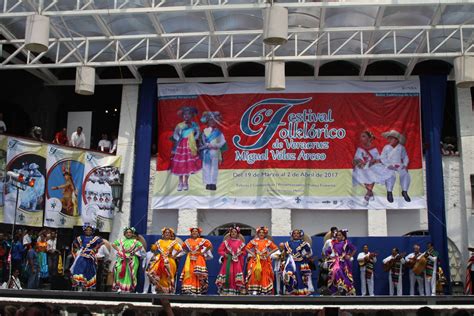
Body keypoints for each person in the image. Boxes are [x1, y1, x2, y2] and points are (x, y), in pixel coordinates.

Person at [352, 131, 391, 204]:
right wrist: (360, 163)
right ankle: (370, 192)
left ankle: (368, 194)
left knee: (371, 171)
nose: (361, 138)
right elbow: (356, 158)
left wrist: (373, 162)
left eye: (364, 136)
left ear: (369, 138)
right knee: (359, 171)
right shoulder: (360, 148)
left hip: (372, 165)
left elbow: (379, 158)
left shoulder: (374, 147)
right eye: (361, 136)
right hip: (363, 166)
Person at [170, 106, 201, 191]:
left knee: (188, 163)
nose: (186, 116)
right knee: (181, 163)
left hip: (190, 145)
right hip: (182, 146)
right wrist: (178, 138)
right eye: (185, 115)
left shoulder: (194, 124)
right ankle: (180, 182)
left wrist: (194, 138)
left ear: (191, 115)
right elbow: (175, 134)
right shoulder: (180, 125)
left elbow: (198, 132)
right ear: (183, 116)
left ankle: (186, 182)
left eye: (188, 114)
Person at [147, 227, 183, 294]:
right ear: (163, 234)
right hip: (160, 259)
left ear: (171, 235)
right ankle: (159, 289)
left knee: (168, 275)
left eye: (168, 233)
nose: (167, 234)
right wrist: (156, 255)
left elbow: (180, 249)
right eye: (165, 232)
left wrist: (174, 256)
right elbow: (153, 248)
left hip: (169, 260)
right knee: (154, 272)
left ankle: (167, 291)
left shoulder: (173, 242)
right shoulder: (159, 241)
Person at [245, 226, 278, 295]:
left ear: (265, 234)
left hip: (265, 261)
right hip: (256, 260)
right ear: (258, 233)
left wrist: (268, 254)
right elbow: (247, 248)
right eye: (260, 232)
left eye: (263, 233)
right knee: (254, 274)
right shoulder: (254, 241)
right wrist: (252, 254)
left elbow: (275, 248)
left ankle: (264, 290)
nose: (261, 234)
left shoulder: (268, 242)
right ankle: (255, 290)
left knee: (264, 275)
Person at [180, 227, 213, 295]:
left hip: (198, 259)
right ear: (191, 233)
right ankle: (188, 289)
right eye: (193, 231)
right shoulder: (187, 241)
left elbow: (209, 245)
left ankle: (198, 290)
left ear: (198, 233)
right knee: (189, 272)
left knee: (198, 274)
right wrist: (188, 252)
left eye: (196, 231)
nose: (194, 232)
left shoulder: (202, 240)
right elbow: (183, 248)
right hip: (190, 260)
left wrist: (203, 252)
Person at [380, 129, 411, 203]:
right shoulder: (386, 147)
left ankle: (404, 191)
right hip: (389, 165)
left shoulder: (401, 148)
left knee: (405, 174)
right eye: (389, 138)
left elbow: (405, 157)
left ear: (397, 140)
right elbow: (382, 157)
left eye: (392, 138)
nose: (389, 139)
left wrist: (405, 165)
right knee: (391, 175)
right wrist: (388, 165)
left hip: (399, 164)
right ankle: (389, 192)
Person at [71, 224, 103, 291]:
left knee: (89, 270)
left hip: (90, 255)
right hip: (82, 254)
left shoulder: (95, 238)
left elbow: (101, 242)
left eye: (90, 230)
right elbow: (75, 242)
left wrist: (95, 248)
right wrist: (79, 248)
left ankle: (88, 284)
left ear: (92, 231)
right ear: (84, 231)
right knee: (79, 268)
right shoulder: (81, 237)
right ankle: (79, 283)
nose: (88, 231)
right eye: (87, 230)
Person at [216, 226, 246, 295]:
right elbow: (220, 250)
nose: (233, 233)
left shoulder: (240, 243)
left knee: (235, 274)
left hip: (236, 261)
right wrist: (225, 254)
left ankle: (235, 291)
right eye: (232, 232)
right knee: (229, 273)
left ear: (237, 234)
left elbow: (244, 252)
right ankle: (225, 291)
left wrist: (240, 253)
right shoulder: (226, 242)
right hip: (228, 261)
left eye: (235, 232)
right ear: (230, 233)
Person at [112, 227, 144, 293]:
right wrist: (119, 250)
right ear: (124, 234)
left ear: (132, 234)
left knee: (130, 272)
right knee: (118, 269)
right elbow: (113, 244)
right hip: (122, 257)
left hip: (132, 258)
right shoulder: (122, 240)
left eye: (130, 232)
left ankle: (128, 288)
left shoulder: (135, 241)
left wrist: (134, 251)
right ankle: (120, 287)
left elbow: (140, 246)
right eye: (127, 232)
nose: (128, 234)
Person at [200, 111, 226, 191]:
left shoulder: (218, 132)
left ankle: (213, 183)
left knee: (214, 167)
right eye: (210, 120)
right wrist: (206, 145)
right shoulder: (205, 131)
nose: (212, 122)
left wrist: (215, 145)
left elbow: (222, 141)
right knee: (206, 167)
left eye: (213, 120)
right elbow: (202, 141)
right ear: (208, 121)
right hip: (207, 151)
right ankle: (207, 183)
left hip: (215, 151)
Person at [325, 230, 357, 296]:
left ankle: (345, 288)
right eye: (337, 235)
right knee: (335, 271)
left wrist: (349, 255)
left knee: (343, 274)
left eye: (340, 235)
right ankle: (337, 288)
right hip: (335, 261)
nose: (338, 236)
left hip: (344, 262)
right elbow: (327, 251)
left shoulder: (346, 243)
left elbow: (354, 249)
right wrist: (330, 257)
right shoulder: (333, 244)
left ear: (343, 236)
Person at [282, 229, 313, 296]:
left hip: (300, 263)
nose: (296, 235)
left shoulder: (303, 243)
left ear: (300, 235)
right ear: (292, 235)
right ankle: (290, 289)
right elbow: (284, 253)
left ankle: (299, 291)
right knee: (288, 274)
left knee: (299, 278)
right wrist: (285, 256)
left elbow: (309, 252)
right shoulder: (287, 243)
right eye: (294, 233)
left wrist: (304, 255)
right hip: (290, 262)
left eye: (297, 233)